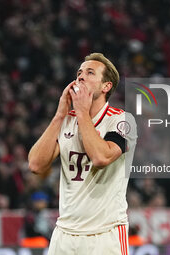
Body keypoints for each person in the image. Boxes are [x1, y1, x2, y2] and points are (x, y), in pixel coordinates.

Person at [28, 53, 137, 255]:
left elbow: (101, 157)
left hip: (105, 234)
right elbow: (35, 165)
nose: (80, 77)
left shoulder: (122, 120)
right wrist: (60, 115)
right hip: (65, 233)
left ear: (106, 87)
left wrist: (81, 113)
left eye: (89, 72)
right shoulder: (67, 120)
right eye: (79, 73)